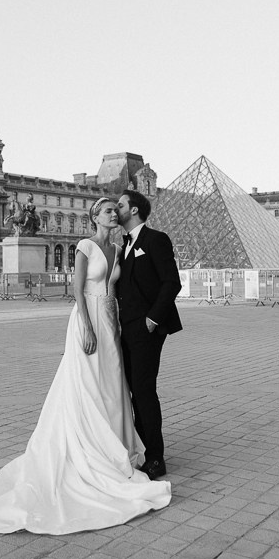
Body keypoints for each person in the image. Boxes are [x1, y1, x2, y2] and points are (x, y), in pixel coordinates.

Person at [0, 196, 171, 534]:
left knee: (113, 386)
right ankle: (90, 448)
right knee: (86, 384)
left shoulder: (119, 249)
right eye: (107, 210)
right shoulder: (84, 245)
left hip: (111, 322)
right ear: (94, 217)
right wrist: (86, 325)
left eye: (116, 209)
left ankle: (117, 448)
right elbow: (77, 288)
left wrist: (133, 321)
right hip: (88, 319)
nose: (113, 213)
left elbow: (130, 286)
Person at [116, 190, 182, 481]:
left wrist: (153, 319)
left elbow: (172, 282)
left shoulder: (156, 239)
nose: (115, 209)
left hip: (147, 327)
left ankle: (156, 457)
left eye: (119, 205)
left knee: (143, 390)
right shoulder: (124, 244)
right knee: (134, 391)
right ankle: (142, 449)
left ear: (133, 210)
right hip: (125, 328)